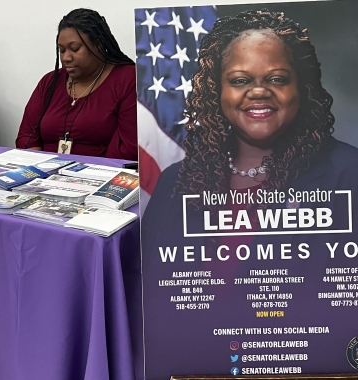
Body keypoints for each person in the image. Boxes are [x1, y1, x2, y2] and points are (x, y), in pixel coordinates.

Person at [142, 10, 358, 266]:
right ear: (217, 91)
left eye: (277, 79)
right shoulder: (176, 181)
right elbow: (148, 278)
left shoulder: (348, 172)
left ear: (302, 88)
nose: (258, 91)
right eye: (240, 80)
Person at [15, 8, 137, 159]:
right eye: (61, 50)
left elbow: (128, 148)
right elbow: (27, 137)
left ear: (98, 44)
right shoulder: (50, 82)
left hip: (102, 175)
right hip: (44, 175)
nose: (66, 57)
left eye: (74, 49)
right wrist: (39, 169)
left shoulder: (128, 79)